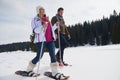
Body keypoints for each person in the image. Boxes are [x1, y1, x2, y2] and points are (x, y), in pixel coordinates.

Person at [26, 6, 67, 79]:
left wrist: (55, 25)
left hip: (50, 40)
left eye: (43, 10)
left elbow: (50, 29)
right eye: (41, 10)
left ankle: (55, 72)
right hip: (41, 41)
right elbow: (35, 30)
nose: (43, 11)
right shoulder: (35, 20)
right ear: (38, 11)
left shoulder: (47, 19)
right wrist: (42, 26)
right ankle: (29, 69)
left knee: (53, 56)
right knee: (39, 56)